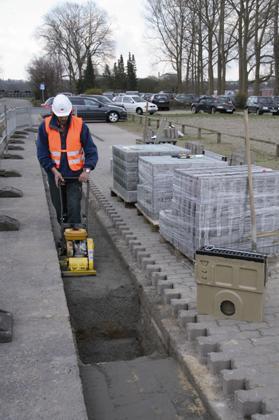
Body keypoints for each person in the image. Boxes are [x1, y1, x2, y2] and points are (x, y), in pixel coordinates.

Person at [36, 93, 98, 225]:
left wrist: (86, 171)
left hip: (75, 175)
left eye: (65, 116)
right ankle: (64, 233)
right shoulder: (45, 127)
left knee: (74, 207)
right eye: (60, 116)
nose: (63, 119)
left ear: (70, 112)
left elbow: (91, 151)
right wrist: (53, 171)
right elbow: (42, 153)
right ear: (53, 112)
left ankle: (76, 237)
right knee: (60, 209)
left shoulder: (80, 126)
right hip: (55, 175)